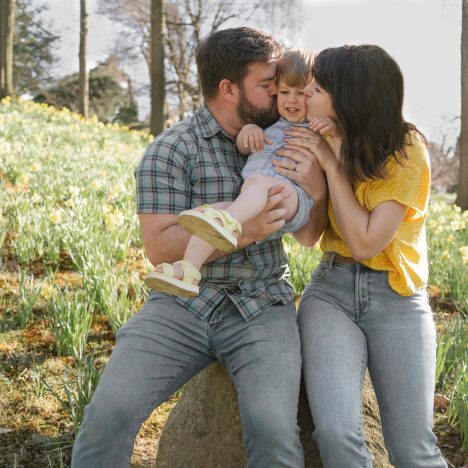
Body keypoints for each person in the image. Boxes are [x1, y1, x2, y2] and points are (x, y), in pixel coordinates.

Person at [71, 27, 328, 467]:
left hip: (262, 305)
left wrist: (316, 186)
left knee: (274, 435)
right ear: (229, 89)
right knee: (106, 418)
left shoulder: (288, 137)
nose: (282, 96)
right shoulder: (170, 150)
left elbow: (309, 236)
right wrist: (243, 232)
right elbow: (158, 248)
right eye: (268, 86)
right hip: (183, 304)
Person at [273, 44, 447, 467]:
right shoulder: (319, 137)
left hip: (397, 298)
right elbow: (309, 238)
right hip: (330, 292)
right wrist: (308, 186)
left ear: (347, 94)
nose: (305, 97)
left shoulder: (407, 151)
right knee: (335, 433)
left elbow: (368, 241)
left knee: (412, 450)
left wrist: (332, 169)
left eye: (316, 89)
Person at [144, 48, 322, 297]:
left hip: (287, 197)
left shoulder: (315, 128)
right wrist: (248, 132)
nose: (289, 99)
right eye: (283, 91)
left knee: (254, 188)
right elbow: (243, 146)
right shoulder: (268, 123)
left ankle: (230, 223)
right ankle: (189, 269)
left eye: (301, 93)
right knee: (212, 215)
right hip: (254, 195)